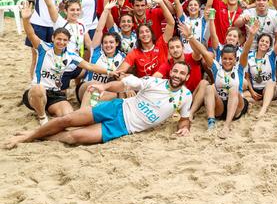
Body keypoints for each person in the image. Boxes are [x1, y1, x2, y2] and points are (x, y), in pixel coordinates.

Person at [6, 62, 193, 148]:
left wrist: (184, 128)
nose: (177, 75)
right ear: (171, 72)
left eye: (181, 73)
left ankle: (39, 136)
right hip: (118, 107)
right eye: (175, 71)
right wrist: (105, 86)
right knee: (69, 119)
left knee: (75, 137)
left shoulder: (186, 96)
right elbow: (125, 83)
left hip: (124, 127)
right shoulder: (154, 82)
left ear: (187, 77)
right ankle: (28, 136)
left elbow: (185, 119)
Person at [19, 4, 115, 125]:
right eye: (59, 39)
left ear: (68, 42)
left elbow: (90, 66)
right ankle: (42, 117)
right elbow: (31, 34)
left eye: (65, 40)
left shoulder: (70, 55)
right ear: (53, 38)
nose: (61, 42)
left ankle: (49, 110)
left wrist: (109, 71)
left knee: (69, 114)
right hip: (37, 92)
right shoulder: (43, 47)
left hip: (55, 94)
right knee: (38, 89)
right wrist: (26, 20)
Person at [200, 21, 255, 138]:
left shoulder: (239, 67)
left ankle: (226, 126)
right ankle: (211, 122)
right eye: (224, 58)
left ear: (235, 59)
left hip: (236, 107)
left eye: (230, 59)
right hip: (220, 105)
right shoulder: (217, 67)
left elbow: (245, 51)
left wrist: (251, 36)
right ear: (221, 58)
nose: (227, 61)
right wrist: (190, 36)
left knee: (233, 89)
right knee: (209, 87)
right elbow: (204, 52)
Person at [77, 1, 127, 105]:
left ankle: (96, 108)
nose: (108, 45)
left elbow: (121, 77)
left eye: (111, 42)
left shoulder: (122, 57)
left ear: (117, 43)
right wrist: (105, 11)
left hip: (105, 92)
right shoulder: (96, 51)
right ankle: (89, 108)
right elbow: (99, 30)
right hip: (87, 88)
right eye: (105, 42)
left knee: (120, 92)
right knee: (95, 85)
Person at [116, 0, 175, 77]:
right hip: (140, 58)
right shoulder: (130, 22)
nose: (140, 8)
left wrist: (161, 2)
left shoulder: (154, 12)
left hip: (160, 49)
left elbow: (171, 18)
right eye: (137, 5)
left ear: (146, 6)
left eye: (142, 5)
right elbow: (119, 73)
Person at [245, 27, 277, 118]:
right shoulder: (249, 56)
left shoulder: (271, 56)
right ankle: (263, 101)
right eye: (262, 41)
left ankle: (263, 109)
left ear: (269, 46)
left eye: (267, 42)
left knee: (270, 83)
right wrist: (252, 92)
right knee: (241, 95)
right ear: (258, 43)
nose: (264, 43)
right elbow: (247, 77)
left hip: (271, 89)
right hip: (255, 90)